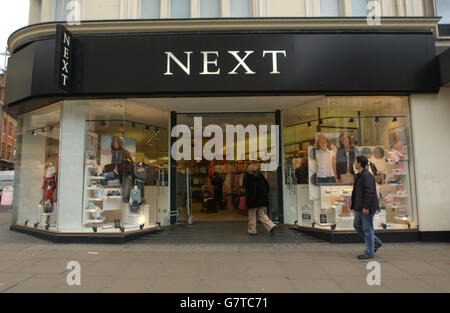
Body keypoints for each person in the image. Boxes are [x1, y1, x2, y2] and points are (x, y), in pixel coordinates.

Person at [351, 155, 383, 259]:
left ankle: (369, 253)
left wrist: (366, 207)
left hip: (366, 207)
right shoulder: (360, 175)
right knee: (357, 225)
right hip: (359, 206)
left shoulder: (366, 176)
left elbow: (369, 192)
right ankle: (376, 242)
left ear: (359, 163)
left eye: (356, 162)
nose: (355, 163)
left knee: (367, 228)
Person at [245, 163, 277, 236]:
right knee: (262, 214)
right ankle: (271, 225)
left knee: (252, 215)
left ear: (249, 170)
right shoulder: (261, 176)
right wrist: (265, 195)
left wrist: (250, 198)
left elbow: (251, 190)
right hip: (262, 199)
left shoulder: (249, 177)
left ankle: (252, 230)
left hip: (253, 199)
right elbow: (267, 186)